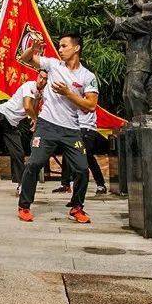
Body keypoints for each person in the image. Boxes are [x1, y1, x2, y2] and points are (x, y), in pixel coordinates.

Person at [16, 34, 98, 224]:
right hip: (47, 126)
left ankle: (77, 207)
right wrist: (33, 47)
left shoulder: (87, 76)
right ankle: (24, 205)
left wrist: (68, 93)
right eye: (58, 47)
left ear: (76, 48)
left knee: (82, 169)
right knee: (34, 164)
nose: (60, 50)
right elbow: (25, 58)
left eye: (64, 46)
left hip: (72, 130)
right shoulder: (53, 65)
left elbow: (90, 105)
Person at [53, 108, 107, 199]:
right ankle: (65, 184)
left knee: (87, 156)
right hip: (73, 128)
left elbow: (87, 108)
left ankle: (101, 184)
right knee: (67, 154)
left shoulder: (89, 96)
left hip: (87, 129)